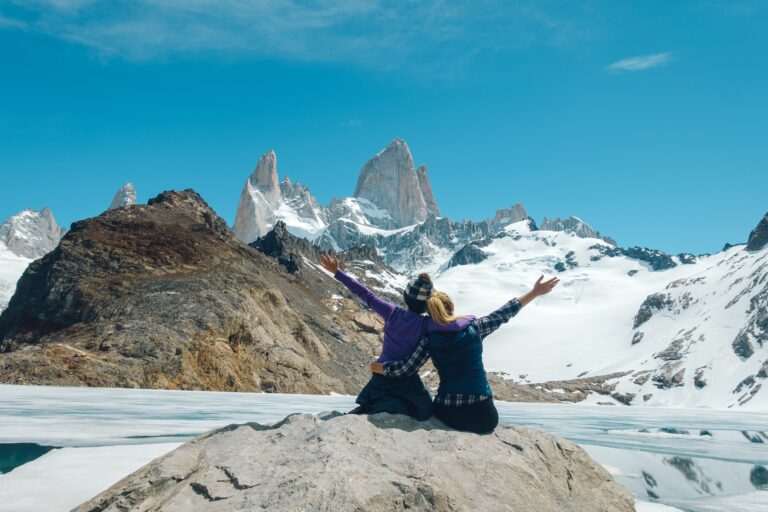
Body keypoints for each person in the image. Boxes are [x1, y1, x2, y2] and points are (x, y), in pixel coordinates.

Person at [371, 275, 559, 434]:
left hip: (448, 412)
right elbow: (506, 311)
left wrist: (379, 367)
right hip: (484, 418)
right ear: (452, 307)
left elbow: (406, 369)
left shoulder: (428, 340)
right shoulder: (476, 328)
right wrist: (535, 292)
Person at [319, 254, 474, 420]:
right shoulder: (426, 324)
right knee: (424, 409)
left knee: (371, 404)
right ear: (427, 305)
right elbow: (456, 324)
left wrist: (337, 271)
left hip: (381, 375)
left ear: (406, 297)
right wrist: (471, 318)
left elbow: (365, 294)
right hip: (406, 379)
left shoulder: (391, 313)